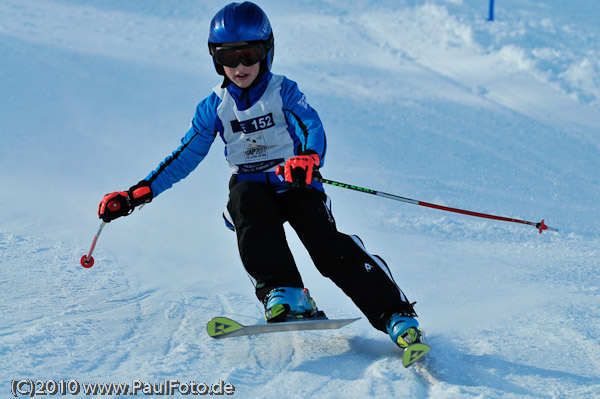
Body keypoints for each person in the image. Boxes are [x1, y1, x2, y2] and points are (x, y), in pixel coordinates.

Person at [97, 1, 423, 350]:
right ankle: (284, 292)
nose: (239, 66)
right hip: (251, 186)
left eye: (248, 55)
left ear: (266, 52)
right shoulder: (214, 106)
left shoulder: (283, 91)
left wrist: (308, 159)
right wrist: (136, 194)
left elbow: (312, 126)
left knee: (326, 246)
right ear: (215, 58)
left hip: (295, 182)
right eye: (227, 56)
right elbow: (185, 155)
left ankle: (394, 315)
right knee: (245, 202)